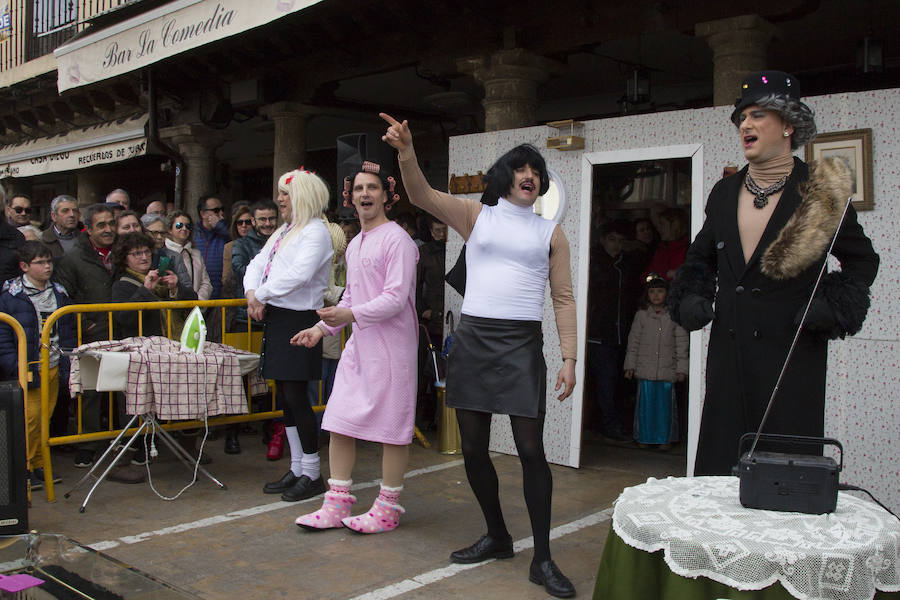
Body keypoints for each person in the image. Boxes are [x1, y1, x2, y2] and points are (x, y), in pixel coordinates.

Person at [382, 114, 577, 597]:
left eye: (537, 170)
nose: (530, 175)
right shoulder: (476, 215)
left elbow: (564, 299)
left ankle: (544, 559)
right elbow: (421, 196)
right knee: (472, 448)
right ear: (505, 177)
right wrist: (406, 151)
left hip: (521, 344)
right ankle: (498, 535)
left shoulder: (551, 233)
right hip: (474, 339)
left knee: (532, 450)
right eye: (521, 168)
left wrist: (570, 357)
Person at [668, 71, 880, 476]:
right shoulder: (724, 192)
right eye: (742, 117)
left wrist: (831, 308)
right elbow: (700, 259)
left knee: (782, 481)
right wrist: (692, 296)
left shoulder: (820, 191)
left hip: (791, 359)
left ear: (788, 125)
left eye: (758, 115)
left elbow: (863, 260)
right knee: (719, 477)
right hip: (729, 357)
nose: (745, 124)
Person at [292, 133, 418, 535]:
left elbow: (396, 298)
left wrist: (347, 313)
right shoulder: (355, 243)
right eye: (359, 188)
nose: (365, 194)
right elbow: (351, 295)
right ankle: (336, 502)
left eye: (373, 188)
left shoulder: (398, 239)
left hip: (393, 349)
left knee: (393, 431)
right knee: (338, 420)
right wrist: (320, 327)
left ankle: (387, 509)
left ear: (387, 196)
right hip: (360, 347)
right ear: (350, 196)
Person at [244, 169, 334, 502]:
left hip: (299, 318)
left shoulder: (315, 232)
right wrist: (253, 292)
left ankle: (312, 472)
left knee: (298, 397)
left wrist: (260, 295)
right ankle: (298, 467)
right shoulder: (286, 231)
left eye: (285, 193)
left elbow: (299, 275)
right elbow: (256, 263)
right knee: (285, 398)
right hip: (279, 317)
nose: (280, 199)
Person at [54, 203, 145, 483]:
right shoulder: (73, 258)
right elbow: (63, 296)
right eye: (101, 225)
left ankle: (127, 443)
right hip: (91, 333)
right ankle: (88, 446)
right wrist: (85, 325)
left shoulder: (120, 253)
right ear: (89, 229)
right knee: (90, 391)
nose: (107, 230)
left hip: (124, 330)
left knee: (126, 389)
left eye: (110, 224)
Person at [0, 242, 76, 490]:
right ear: (24, 266)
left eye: (49, 261)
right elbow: (4, 336)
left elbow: (68, 329)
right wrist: (16, 365)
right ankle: (24, 467)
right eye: (40, 262)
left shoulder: (59, 292)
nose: (47, 267)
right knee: (29, 419)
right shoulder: (11, 296)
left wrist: (67, 361)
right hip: (29, 365)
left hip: (53, 363)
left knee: (45, 417)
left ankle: (40, 464)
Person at [586, 220, 641, 442]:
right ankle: (609, 425)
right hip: (599, 334)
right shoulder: (593, 263)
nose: (616, 245)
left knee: (618, 382)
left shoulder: (625, 264)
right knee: (605, 382)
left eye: (620, 241)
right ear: (602, 240)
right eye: (612, 239)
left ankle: (610, 423)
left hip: (622, 333)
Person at [624, 275, 687, 450]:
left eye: (660, 291)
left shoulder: (674, 315)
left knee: (664, 408)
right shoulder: (641, 315)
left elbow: (682, 343)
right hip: (646, 370)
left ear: (668, 293)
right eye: (652, 292)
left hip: (667, 370)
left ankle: (664, 439)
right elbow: (633, 341)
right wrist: (630, 365)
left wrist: (682, 368)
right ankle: (644, 437)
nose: (656, 296)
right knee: (646, 407)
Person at [110, 232, 195, 338]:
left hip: (171, 343)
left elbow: (194, 303)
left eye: (147, 251)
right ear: (124, 258)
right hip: (143, 347)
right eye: (137, 253)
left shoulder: (161, 277)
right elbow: (126, 318)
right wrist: (146, 290)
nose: (144, 257)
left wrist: (176, 288)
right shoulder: (121, 285)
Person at [415, 216, 447, 428]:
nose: (441, 235)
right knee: (423, 372)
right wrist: (422, 309)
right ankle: (418, 420)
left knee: (444, 371)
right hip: (428, 321)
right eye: (437, 231)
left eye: (444, 231)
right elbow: (414, 286)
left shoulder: (454, 250)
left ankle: (440, 420)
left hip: (448, 316)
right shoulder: (423, 253)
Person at [165, 211, 213, 302]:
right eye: (179, 225)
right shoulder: (164, 253)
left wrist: (198, 301)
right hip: (172, 307)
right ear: (170, 229)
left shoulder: (196, 254)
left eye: (188, 226)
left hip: (196, 308)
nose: (184, 229)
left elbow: (206, 283)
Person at [140, 213, 192, 292]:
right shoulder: (134, 256)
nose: (159, 237)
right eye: (154, 233)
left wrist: (175, 287)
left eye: (162, 233)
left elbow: (188, 289)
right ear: (143, 232)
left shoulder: (174, 257)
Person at [194, 194, 230, 300]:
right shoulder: (193, 234)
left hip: (221, 296)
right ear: (203, 213)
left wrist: (220, 226)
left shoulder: (225, 232)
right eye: (216, 210)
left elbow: (235, 239)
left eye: (222, 209)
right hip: (199, 297)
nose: (221, 213)